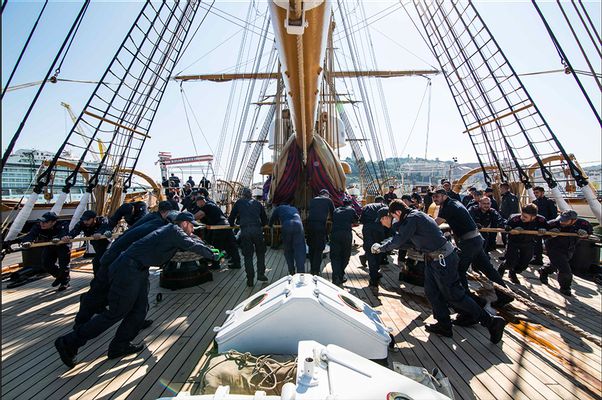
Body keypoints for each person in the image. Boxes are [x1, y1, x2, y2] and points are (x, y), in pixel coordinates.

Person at [55, 212, 220, 368]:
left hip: (138, 269)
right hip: (127, 270)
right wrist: (213, 256)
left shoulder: (173, 231)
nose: (193, 230)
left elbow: (193, 240)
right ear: (185, 223)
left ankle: (120, 345)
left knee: (140, 310)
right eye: (192, 227)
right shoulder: (174, 232)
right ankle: (69, 342)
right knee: (116, 312)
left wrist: (210, 248)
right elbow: (190, 243)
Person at [372, 200, 506, 343]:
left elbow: (398, 241)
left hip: (443, 260)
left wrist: (381, 248)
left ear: (397, 212)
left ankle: (491, 322)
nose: (395, 220)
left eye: (395, 217)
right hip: (432, 260)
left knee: (455, 295)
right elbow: (408, 242)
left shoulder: (413, 218)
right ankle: (444, 325)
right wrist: (384, 244)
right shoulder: (414, 218)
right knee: (431, 292)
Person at [73, 210, 176, 331]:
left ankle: (137, 321)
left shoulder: (153, 220)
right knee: (97, 293)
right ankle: (80, 322)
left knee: (140, 295)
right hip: (116, 260)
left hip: (132, 263)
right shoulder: (159, 228)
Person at [433, 189, 513, 312]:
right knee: (488, 269)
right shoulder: (453, 203)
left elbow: (436, 224)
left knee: (459, 270)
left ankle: (467, 300)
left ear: (444, 196)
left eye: (437, 196)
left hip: (469, 242)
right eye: (433, 196)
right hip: (476, 239)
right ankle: (505, 295)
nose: (434, 199)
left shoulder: (449, 206)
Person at [539, 210, 592, 296]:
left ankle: (544, 271)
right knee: (565, 269)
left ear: (573, 220)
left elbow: (589, 232)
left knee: (556, 264)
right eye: (561, 219)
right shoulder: (553, 223)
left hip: (569, 248)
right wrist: (550, 233)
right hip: (554, 248)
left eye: (565, 220)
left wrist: (584, 234)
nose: (562, 222)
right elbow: (541, 232)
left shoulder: (583, 224)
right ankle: (565, 288)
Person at [15, 211, 71, 291]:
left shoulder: (62, 225)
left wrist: (60, 238)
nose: (42, 224)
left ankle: (64, 282)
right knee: (46, 264)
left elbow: (64, 233)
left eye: (46, 222)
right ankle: (60, 277)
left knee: (64, 265)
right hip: (49, 245)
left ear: (54, 222)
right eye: (41, 221)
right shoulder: (38, 226)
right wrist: (27, 241)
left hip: (62, 246)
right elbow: (31, 235)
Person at [499, 204, 548, 284]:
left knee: (524, 263)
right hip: (514, 241)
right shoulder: (515, 218)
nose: (522, 218)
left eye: (525, 217)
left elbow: (548, 229)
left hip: (528, 242)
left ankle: (513, 272)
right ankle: (502, 268)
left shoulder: (541, 220)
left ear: (534, 216)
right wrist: (511, 229)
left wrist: (543, 230)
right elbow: (505, 226)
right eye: (522, 215)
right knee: (510, 261)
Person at [229, 188, 268, 286]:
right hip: (257, 230)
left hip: (245, 231)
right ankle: (261, 274)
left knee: (248, 255)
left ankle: (250, 279)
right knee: (260, 253)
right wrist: (263, 224)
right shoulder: (258, 203)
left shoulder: (239, 203)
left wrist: (232, 225)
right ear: (251, 195)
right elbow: (264, 219)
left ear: (243, 195)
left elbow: (231, 217)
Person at [195, 195, 241, 269]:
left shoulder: (206, 206)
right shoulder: (212, 205)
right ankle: (236, 263)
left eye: (197, 203)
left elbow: (199, 215)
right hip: (226, 225)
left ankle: (215, 264)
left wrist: (188, 218)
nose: (197, 205)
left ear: (200, 201)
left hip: (219, 226)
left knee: (216, 245)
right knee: (231, 245)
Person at [63, 210, 111, 275]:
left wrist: (99, 233)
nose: (85, 222)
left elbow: (105, 227)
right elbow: (75, 231)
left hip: (106, 242)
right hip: (95, 242)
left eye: (88, 220)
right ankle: (99, 279)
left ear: (94, 218)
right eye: (84, 220)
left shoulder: (102, 220)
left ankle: (99, 280)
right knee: (99, 260)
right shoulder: (82, 223)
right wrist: (68, 236)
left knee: (99, 261)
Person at [359, 196, 387, 288]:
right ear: (381, 201)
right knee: (379, 249)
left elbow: (361, 220)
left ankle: (373, 276)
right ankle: (375, 274)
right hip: (379, 229)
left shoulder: (366, 206)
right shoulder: (383, 206)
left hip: (367, 229)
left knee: (369, 250)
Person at [330, 199, 359, 285]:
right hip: (346, 235)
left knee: (335, 256)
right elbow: (356, 221)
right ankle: (341, 274)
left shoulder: (336, 210)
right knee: (345, 255)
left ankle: (335, 277)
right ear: (350, 204)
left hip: (334, 234)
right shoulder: (351, 210)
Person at [270, 204, 305, 274]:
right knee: (299, 250)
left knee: (288, 250)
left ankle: (291, 270)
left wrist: (269, 225)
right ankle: (301, 272)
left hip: (286, 225)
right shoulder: (294, 208)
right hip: (298, 225)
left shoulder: (278, 208)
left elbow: (272, 219)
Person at [306, 189, 335, 276]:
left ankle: (312, 268)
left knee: (311, 248)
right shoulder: (328, 200)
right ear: (327, 194)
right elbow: (334, 214)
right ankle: (316, 270)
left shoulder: (313, 200)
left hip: (310, 226)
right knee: (319, 249)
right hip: (320, 226)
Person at [531, 186, 558, 266]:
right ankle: (538, 259)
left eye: (537, 193)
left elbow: (553, 214)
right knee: (537, 243)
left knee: (549, 244)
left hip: (547, 225)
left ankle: (553, 262)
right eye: (534, 193)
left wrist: (550, 225)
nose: (535, 194)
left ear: (542, 192)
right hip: (537, 225)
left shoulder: (549, 202)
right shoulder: (534, 202)